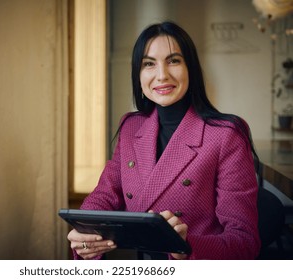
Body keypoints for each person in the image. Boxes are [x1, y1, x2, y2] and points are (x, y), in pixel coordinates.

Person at [67, 21, 261, 260]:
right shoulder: (131, 126)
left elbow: (244, 242)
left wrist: (186, 246)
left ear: (191, 68)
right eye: (149, 64)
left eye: (174, 61)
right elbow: (106, 193)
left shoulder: (225, 134)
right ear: (138, 75)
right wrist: (86, 229)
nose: (162, 75)